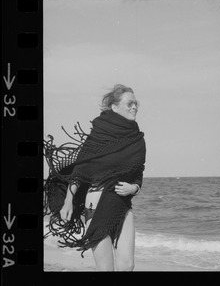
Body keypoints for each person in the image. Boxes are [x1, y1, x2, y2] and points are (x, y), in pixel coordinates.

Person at [43, 84, 146, 271]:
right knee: (106, 270)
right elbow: (82, 169)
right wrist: (68, 200)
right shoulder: (100, 133)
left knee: (127, 266)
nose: (134, 107)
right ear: (115, 107)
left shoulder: (137, 139)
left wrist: (134, 188)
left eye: (136, 103)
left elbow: (138, 173)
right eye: (130, 103)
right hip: (96, 206)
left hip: (123, 205)